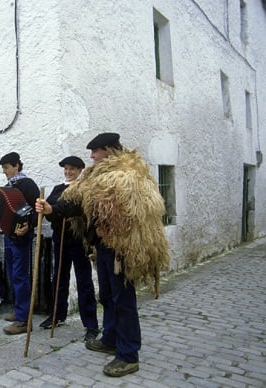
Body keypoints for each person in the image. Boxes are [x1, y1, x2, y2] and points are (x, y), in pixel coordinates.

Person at [35, 133, 169, 377]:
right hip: (104, 246)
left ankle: (129, 355)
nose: (92, 157)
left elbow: (132, 212)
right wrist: (53, 208)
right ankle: (109, 338)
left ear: (108, 149)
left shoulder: (128, 174)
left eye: (95, 152)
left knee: (123, 300)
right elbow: (81, 201)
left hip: (122, 247)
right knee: (107, 295)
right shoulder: (97, 176)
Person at [39, 156, 100, 341]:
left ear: (80, 170)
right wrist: (51, 211)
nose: (68, 172)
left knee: (84, 281)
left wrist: (55, 209)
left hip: (78, 239)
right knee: (58, 277)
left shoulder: (83, 188)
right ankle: (57, 315)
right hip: (61, 238)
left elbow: (74, 207)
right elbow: (50, 211)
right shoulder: (58, 189)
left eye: (72, 169)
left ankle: (91, 324)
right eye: (66, 168)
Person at [0, 152, 40, 335]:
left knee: (21, 276)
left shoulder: (27, 184)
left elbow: (37, 210)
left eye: (7, 167)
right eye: (4, 169)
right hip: (9, 235)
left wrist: (29, 226)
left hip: (22, 237)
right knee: (13, 274)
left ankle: (24, 320)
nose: (5, 172)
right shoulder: (9, 186)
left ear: (16, 166)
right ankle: (19, 310)